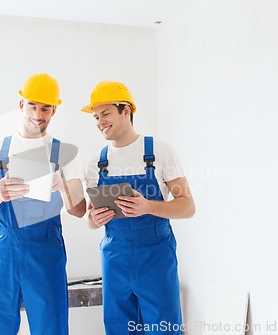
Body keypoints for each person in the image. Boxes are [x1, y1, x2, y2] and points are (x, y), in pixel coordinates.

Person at [0, 73, 86, 335]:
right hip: (3, 248)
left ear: (54, 110)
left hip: (45, 250)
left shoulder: (65, 153)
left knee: (51, 327)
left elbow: (79, 210)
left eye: (45, 108)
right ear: (21, 104)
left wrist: (62, 185)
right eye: (33, 106)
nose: (38, 114)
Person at [82, 81, 195, 335]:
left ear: (126, 111)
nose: (100, 122)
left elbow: (188, 207)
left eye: (106, 113)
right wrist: (95, 218)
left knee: (163, 328)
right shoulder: (96, 163)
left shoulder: (158, 151)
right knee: (119, 329)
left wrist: (148, 207)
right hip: (114, 259)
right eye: (96, 117)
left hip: (155, 258)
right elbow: (88, 219)